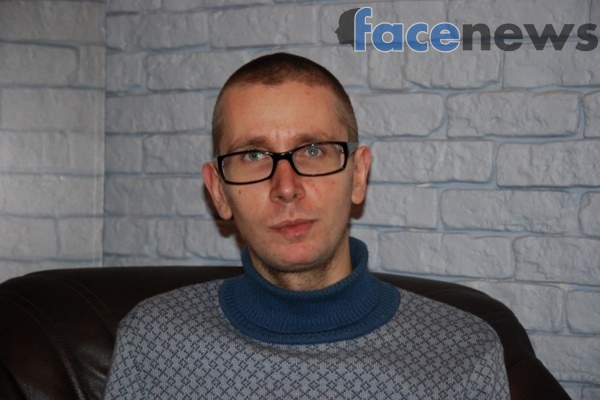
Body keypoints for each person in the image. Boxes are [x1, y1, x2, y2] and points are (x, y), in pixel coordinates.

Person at [103, 53, 509, 399]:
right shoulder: (154, 342)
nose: (286, 188)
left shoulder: (462, 354)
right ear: (219, 191)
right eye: (253, 155)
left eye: (313, 150)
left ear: (358, 175)